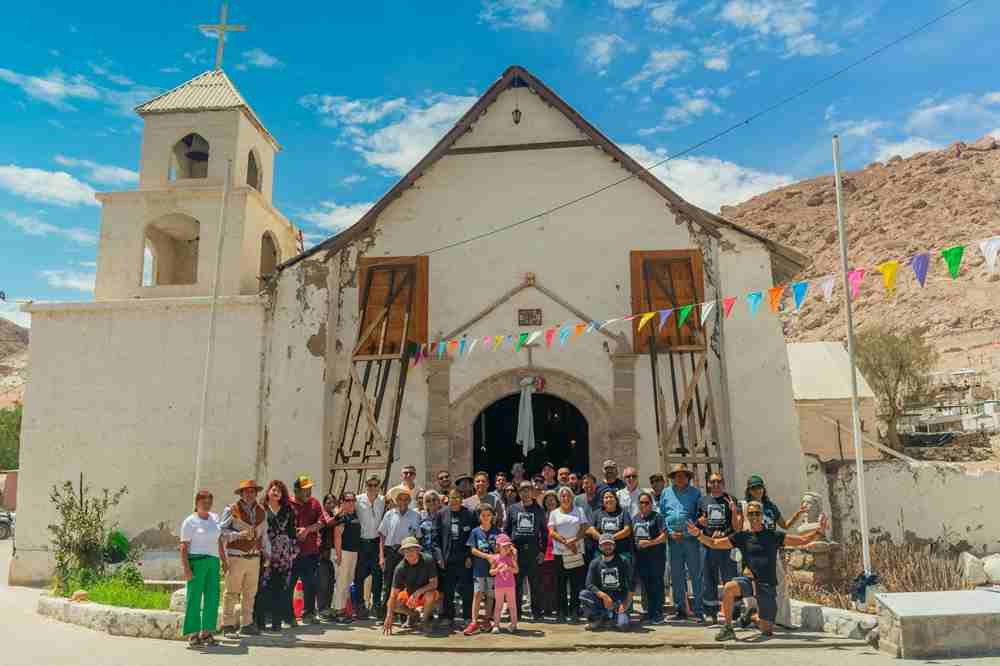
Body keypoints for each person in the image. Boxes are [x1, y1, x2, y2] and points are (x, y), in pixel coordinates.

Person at [689, 503, 829, 641]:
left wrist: (818, 532)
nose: (754, 516)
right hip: (749, 581)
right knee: (729, 588)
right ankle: (728, 628)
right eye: (751, 514)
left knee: (766, 630)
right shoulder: (742, 537)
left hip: (767, 586)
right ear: (747, 516)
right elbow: (714, 543)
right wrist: (698, 534)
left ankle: (752, 616)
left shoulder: (773, 535)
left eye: (757, 513)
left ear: (762, 516)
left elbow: (802, 541)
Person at [219, 480, 267, 636]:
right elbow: (221, 533)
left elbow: (264, 535)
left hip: (254, 557)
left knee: (250, 593)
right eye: (246, 491)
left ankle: (247, 624)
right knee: (231, 592)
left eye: (252, 491)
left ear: (256, 493)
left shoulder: (261, 511)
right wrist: (238, 535)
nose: (250, 494)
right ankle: (227, 625)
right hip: (236, 557)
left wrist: (267, 553)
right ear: (241, 493)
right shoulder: (231, 509)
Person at [180, 490, 226, 647]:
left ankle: (206, 633)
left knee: (212, 598)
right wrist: (186, 569)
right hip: (196, 562)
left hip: (213, 562)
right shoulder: (190, 521)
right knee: (194, 598)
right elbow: (184, 547)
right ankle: (193, 634)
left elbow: (219, 540)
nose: (206, 505)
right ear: (196, 503)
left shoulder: (215, 518)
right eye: (203, 502)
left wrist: (224, 560)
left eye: (209, 502)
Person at [660, 464, 703, 621]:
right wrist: (670, 533)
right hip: (673, 540)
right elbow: (663, 515)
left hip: (690, 540)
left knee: (695, 574)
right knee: (677, 575)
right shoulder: (666, 492)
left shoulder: (695, 493)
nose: (679, 477)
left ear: (688, 477)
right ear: (672, 478)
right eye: (676, 475)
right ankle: (680, 609)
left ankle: (698, 609)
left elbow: (700, 516)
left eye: (683, 475)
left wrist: (686, 532)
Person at [255, 480, 298, 632]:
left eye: (279, 490)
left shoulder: (288, 510)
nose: (276, 492)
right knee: (262, 588)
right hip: (264, 552)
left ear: (282, 494)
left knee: (279, 588)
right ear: (268, 492)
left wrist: (293, 551)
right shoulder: (260, 508)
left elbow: (293, 532)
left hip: (282, 554)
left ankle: (276, 622)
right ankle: (259, 622)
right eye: (273, 489)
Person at [697, 473, 740, 624]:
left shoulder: (731, 499)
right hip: (708, 545)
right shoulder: (702, 500)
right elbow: (698, 523)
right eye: (713, 481)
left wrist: (734, 511)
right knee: (709, 579)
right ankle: (711, 613)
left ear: (723, 483)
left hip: (727, 544)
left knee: (730, 579)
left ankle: (734, 613)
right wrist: (703, 523)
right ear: (708, 483)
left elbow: (737, 527)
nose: (716, 484)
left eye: (719, 481)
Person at [288, 476, 328, 625]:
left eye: (310, 489)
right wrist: (295, 531)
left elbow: (322, 522)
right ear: (296, 490)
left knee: (310, 584)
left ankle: (309, 614)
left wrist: (308, 530)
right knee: (289, 585)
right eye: (305, 489)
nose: (309, 492)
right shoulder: (288, 504)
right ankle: (289, 616)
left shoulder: (314, 503)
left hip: (310, 552)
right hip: (291, 553)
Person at [504, 480, 546, 620]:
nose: (526, 492)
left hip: (533, 551)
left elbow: (544, 532)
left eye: (528, 489)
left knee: (535, 583)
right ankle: (516, 613)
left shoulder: (539, 509)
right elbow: (506, 531)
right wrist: (508, 549)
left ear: (532, 492)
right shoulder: (512, 508)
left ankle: (537, 612)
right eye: (522, 490)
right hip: (516, 552)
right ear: (519, 492)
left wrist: (542, 551)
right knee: (516, 584)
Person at [382, 536, 440, 635]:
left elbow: (434, 583)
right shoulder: (400, 568)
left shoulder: (428, 560)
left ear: (417, 550)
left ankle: (424, 621)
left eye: (411, 549)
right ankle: (414, 615)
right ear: (403, 553)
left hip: (426, 594)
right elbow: (393, 594)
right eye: (406, 551)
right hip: (409, 595)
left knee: (430, 595)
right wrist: (389, 616)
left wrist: (417, 593)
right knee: (392, 604)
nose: (409, 553)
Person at [378, 487, 422, 618]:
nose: (403, 501)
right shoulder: (389, 514)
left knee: (407, 585)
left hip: (408, 553)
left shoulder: (415, 515)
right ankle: (387, 614)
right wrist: (381, 556)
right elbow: (382, 536)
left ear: (409, 500)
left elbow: (418, 537)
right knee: (388, 584)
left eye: (405, 499)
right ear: (396, 500)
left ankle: (404, 615)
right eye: (400, 499)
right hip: (391, 552)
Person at [548, 486, 590, 623]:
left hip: (576, 552)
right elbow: (552, 532)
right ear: (559, 498)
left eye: (568, 496)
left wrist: (574, 541)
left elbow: (584, 528)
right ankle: (561, 612)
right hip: (560, 554)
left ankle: (574, 612)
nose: (565, 498)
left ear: (572, 497)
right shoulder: (554, 513)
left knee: (575, 584)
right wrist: (566, 542)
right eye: (562, 496)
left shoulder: (579, 511)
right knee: (560, 584)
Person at [436, 489, 476, 627]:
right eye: (452, 498)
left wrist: (470, 556)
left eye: (457, 497)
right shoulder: (441, 514)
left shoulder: (470, 514)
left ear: (461, 498)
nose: (455, 500)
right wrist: (439, 556)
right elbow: (437, 538)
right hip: (447, 558)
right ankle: (448, 616)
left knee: (467, 589)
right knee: (448, 589)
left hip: (465, 558)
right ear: (448, 499)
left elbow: (474, 536)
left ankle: (467, 617)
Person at [581, 534, 633, 632]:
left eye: (610, 544)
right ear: (600, 547)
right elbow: (589, 584)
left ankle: (614, 617)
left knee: (623, 627)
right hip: (602, 599)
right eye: (604, 545)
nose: (607, 547)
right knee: (584, 594)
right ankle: (597, 619)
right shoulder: (595, 562)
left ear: (614, 546)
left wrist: (626, 603)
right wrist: (604, 596)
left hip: (619, 598)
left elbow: (631, 583)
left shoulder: (624, 561)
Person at [464, 503, 500, 635]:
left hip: (492, 570)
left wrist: (496, 556)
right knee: (477, 593)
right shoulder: (475, 531)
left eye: (488, 515)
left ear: (493, 516)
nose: (486, 517)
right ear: (479, 517)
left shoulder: (497, 531)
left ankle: (486, 620)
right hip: (478, 569)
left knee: (490, 595)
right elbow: (473, 549)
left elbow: (502, 548)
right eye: (483, 515)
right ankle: (474, 621)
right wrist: (487, 556)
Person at [632, 492, 667, 624]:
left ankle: (658, 613)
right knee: (645, 586)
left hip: (656, 557)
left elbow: (664, 536)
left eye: (647, 503)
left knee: (656, 585)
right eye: (641, 502)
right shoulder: (635, 518)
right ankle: (649, 612)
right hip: (641, 558)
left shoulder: (657, 517)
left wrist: (650, 543)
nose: (644, 505)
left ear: (651, 504)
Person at [355, 475, 386, 620]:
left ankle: (376, 605)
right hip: (361, 542)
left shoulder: (383, 500)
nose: (372, 487)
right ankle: (360, 606)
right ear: (366, 485)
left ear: (379, 486)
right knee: (359, 576)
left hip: (376, 542)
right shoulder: (358, 499)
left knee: (377, 575)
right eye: (370, 485)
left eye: (375, 485)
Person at [331, 491, 361, 623]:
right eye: (348, 500)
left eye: (353, 500)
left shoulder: (353, 515)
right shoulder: (341, 516)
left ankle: (344, 609)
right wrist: (338, 555)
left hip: (353, 552)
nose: (351, 503)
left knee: (348, 582)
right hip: (343, 552)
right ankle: (338, 611)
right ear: (342, 502)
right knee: (341, 582)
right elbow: (337, 536)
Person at [588, 490, 633, 563]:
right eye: (606, 497)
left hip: (621, 553)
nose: (608, 499)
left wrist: (610, 539)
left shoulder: (624, 512)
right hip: (601, 554)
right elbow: (590, 529)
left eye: (611, 497)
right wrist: (602, 539)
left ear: (616, 500)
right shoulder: (597, 513)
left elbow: (627, 530)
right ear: (602, 501)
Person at [490, 534, 520, 633]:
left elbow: (516, 570)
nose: (507, 548)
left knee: (512, 605)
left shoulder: (511, 558)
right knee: (498, 606)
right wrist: (497, 570)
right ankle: (496, 625)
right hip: (499, 586)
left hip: (510, 585)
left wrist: (509, 568)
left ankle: (514, 624)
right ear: (498, 547)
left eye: (508, 546)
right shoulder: (495, 558)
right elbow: (491, 572)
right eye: (504, 546)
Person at [537, 491, 560, 617]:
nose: (550, 502)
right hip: (544, 552)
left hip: (558, 551)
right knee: (544, 582)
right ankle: (546, 607)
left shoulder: (561, 515)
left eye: (553, 499)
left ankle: (555, 606)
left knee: (556, 582)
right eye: (548, 500)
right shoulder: (542, 516)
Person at [317, 493, 339, 620]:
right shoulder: (323, 514)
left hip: (331, 555)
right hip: (321, 554)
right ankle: (321, 609)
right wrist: (339, 511)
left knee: (330, 582)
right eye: (329, 503)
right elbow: (329, 523)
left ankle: (327, 608)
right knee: (323, 582)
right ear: (324, 504)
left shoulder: (334, 515)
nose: (331, 505)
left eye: (333, 503)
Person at [419, 490, 444, 567]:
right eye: (428, 501)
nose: (431, 502)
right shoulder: (421, 518)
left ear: (439, 501)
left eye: (434, 500)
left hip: (442, 557)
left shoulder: (445, 516)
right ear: (425, 503)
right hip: (425, 557)